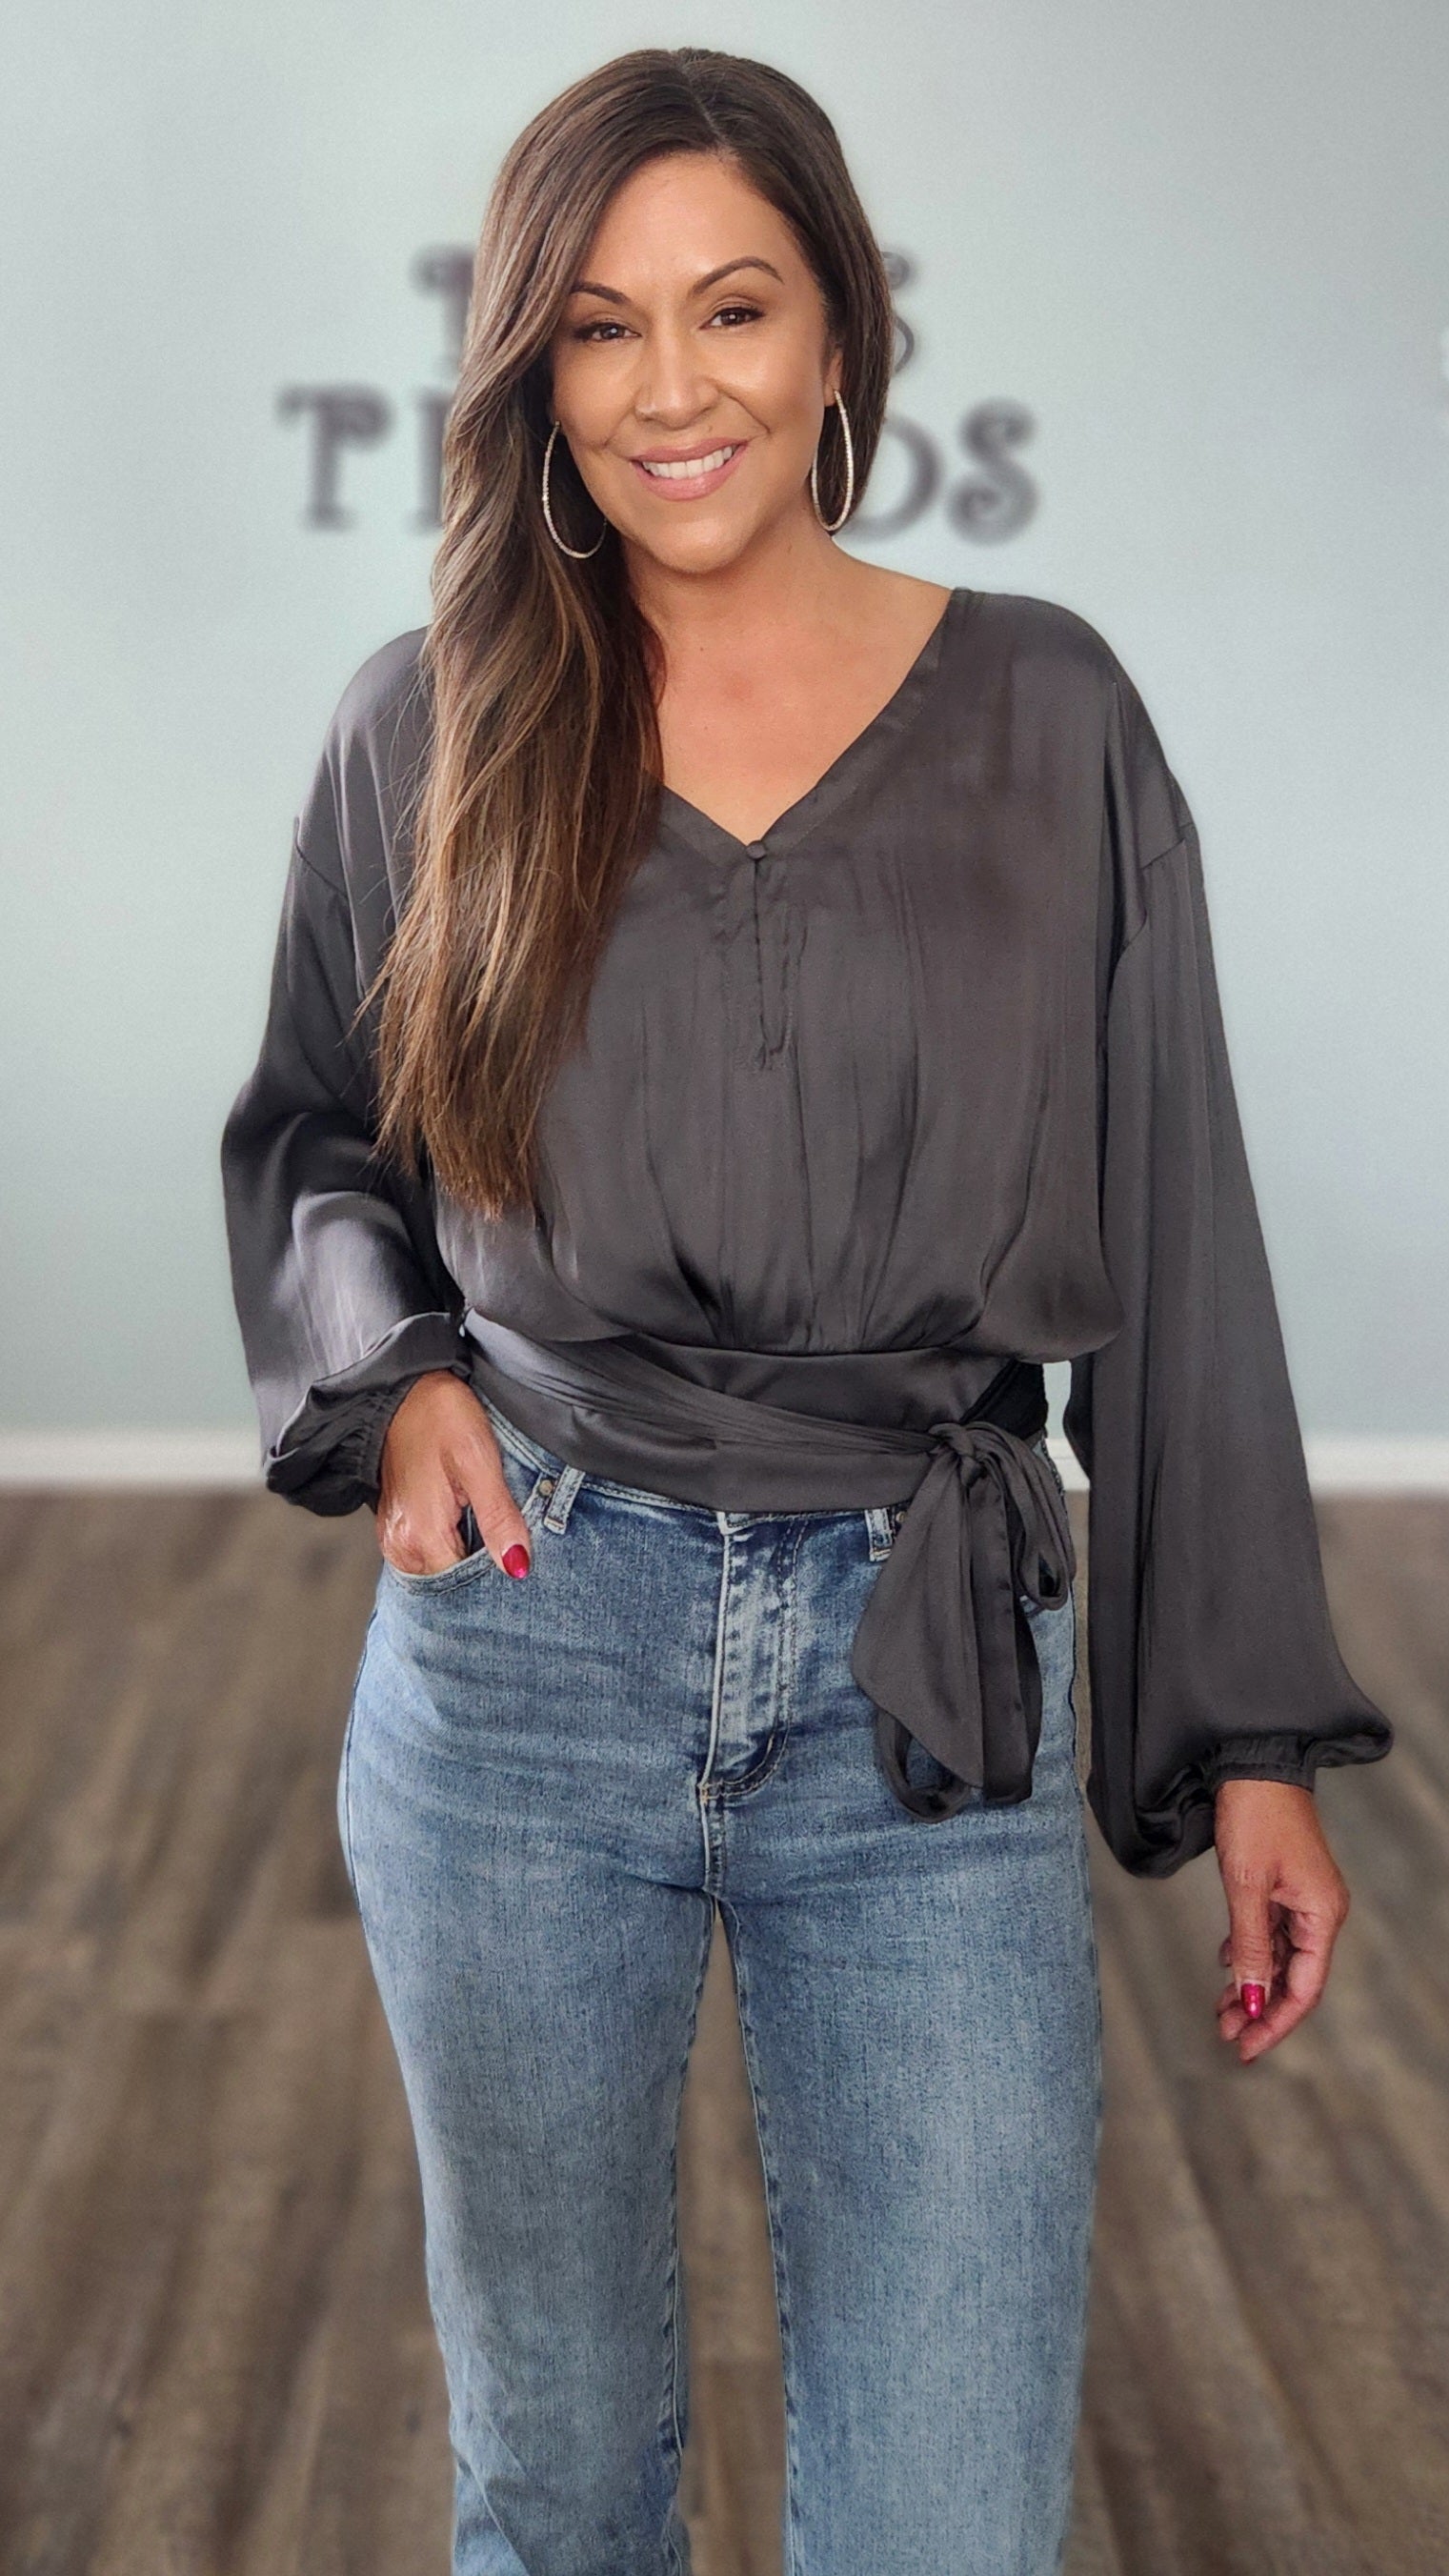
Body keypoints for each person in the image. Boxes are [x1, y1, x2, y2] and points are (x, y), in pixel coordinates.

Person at [220, 45, 1394, 2576]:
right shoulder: (431, 723)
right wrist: (397, 1377)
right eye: (600, 326)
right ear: (535, 371)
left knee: (948, 2519)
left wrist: (1247, 1748)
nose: (673, 388)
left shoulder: (1051, 713)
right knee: (557, 2487)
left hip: (924, 1690)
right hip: (525, 1660)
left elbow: (1178, 1243)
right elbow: (318, 1129)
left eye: (733, 309)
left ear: (841, 330)